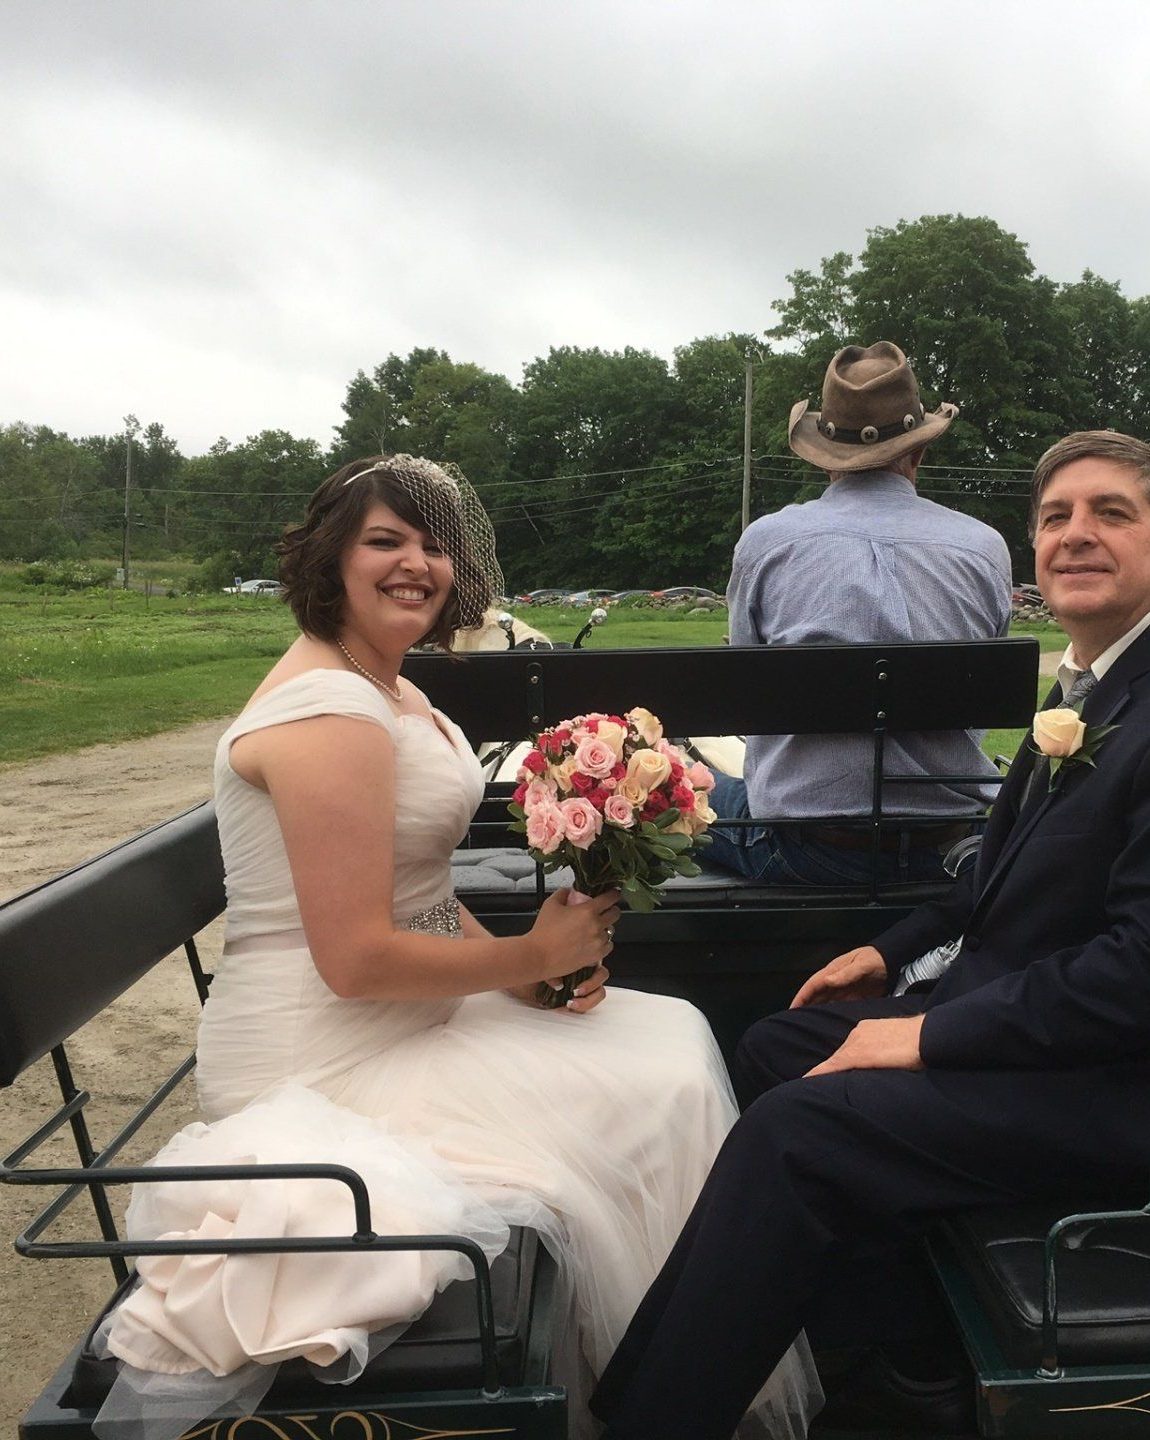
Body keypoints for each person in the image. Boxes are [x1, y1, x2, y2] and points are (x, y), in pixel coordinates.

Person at [591, 431, 1150, 1440]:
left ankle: (650, 1422)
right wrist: (893, 953)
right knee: (778, 1047)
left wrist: (926, 1034)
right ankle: (904, 1362)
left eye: (1110, 513)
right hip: (1074, 1048)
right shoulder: (1101, 676)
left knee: (798, 1135)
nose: (1075, 534)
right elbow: (1003, 865)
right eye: (1055, 517)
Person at [98, 456, 819, 1440]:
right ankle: (656, 1402)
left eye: (435, 544)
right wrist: (524, 959)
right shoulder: (330, 714)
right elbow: (354, 958)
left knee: (675, 1040)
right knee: (664, 1091)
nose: (417, 564)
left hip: (406, 1020)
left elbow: (421, 900)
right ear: (329, 560)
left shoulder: (388, 691)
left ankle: (660, 1383)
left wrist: (532, 976)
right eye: (385, 540)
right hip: (328, 1057)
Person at [705, 341, 1012, 885]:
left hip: (805, 851)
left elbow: (746, 691)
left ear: (823, 455)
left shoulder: (766, 543)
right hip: (948, 846)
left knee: (699, 784)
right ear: (917, 452)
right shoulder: (985, 548)